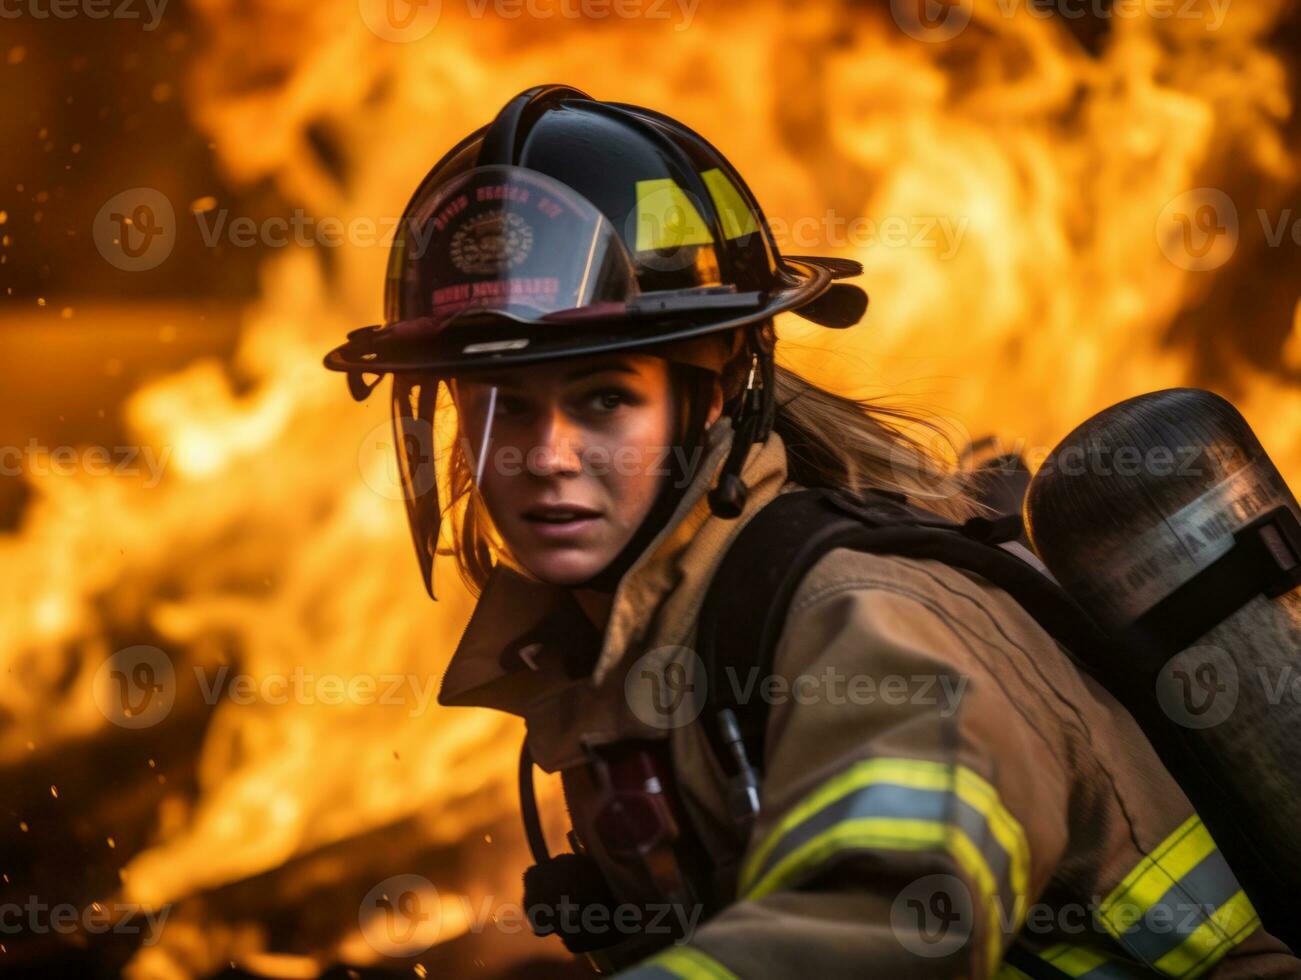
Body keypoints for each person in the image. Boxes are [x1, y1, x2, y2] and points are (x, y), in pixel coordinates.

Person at [324, 85, 1298, 979]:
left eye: (603, 398)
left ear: (715, 399)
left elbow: (900, 906)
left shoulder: (857, 612)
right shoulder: (616, 653)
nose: (543, 453)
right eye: (500, 406)